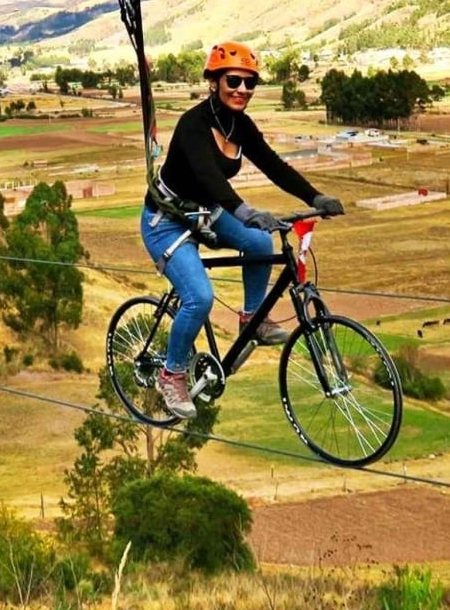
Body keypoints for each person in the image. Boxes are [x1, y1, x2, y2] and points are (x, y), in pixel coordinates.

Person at [140, 40, 345, 419]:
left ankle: (252, 319)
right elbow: (208, 177)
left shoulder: (240, 125)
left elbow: (273, 165)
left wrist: (315, 197)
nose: (242, 90)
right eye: (233, 80)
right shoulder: (193, 125)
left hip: (205, 212)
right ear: (214, 81)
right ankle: (171, 374)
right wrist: (245, 210)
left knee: (257, 240)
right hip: (166, 221)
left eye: (250, 83)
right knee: (199, 297)